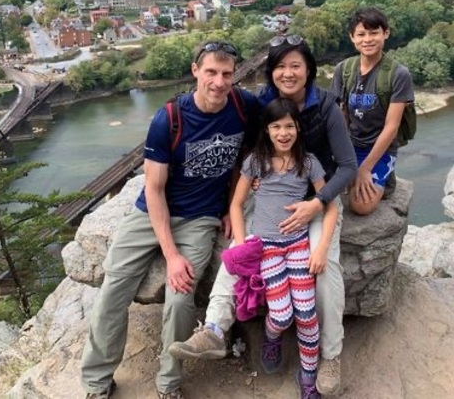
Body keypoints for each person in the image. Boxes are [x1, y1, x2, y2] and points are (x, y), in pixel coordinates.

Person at [169, 35, 357, 397]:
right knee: (240, 249)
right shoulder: (263, 102)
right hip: (270, 192)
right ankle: (214, 328)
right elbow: (242, 145)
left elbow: (348, 165)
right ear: (271, 72)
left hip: (316, 196)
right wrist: (233, 201)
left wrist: (318, 202)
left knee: (325, 266)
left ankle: (330, 355)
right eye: (280, 66)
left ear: (309, 70)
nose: (288, 73)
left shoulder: (326, 106)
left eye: (296, 66)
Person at [80, 41, 259, 399]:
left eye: (226, 74)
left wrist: (231, 205)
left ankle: (168, 383)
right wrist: (171, 255)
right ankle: (97, 382)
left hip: (200, 218)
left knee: (179, 301)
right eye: (210, 72)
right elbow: (154, 188)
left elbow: (254, 149)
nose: (219, 82)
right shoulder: (169, 118)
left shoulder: (244, 107)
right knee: (113, 292)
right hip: (151, 214)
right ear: (195, 71)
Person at [228, 97, 339, 399]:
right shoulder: (256, 161)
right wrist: (242, 245)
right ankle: (272, 337)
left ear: (298, 128)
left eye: (289, 126)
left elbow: (329, 206)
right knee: (281, 316)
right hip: (267, 248)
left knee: (306, 314)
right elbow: (237, 205)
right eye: (276, 127)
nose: (283, 133)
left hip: (297, 245)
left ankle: (308, 376)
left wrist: (321, 248)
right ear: (266, 130)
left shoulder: (309, 162)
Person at [331, 7, 415, 215]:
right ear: (352, 37)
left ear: (385, 33)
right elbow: (339, 115)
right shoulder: (344, 70)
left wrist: (364, 169)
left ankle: (386, 178)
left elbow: (392, 127)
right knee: (316, 183)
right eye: (361, 34)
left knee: (361, 206)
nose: (367, 39)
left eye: (374, 33)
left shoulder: (398, 74)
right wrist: (343, 158)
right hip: (351, 144)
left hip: (380, 148)